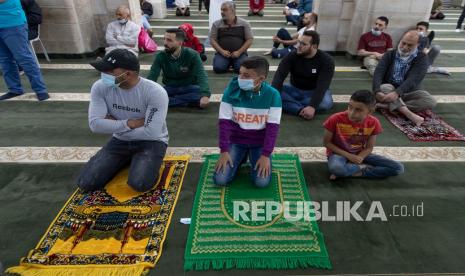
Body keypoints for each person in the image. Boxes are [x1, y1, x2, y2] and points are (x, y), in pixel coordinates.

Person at [77, 49, 169, 192]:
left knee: (140, 183)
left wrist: (113, 124)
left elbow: (151, 133)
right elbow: (95, 125)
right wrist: (130, 123)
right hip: (120, 140)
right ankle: (128, 159)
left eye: (109, 71)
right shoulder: (100, 87)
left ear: (127, 74)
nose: (103, 75)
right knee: (86, 183)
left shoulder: (155, 92)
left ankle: (135, 160)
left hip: (152, 141)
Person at [214, 56, 282, 187]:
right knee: (220, 180)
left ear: (261, 79)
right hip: (236, 141)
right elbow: (224, 123)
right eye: (240, 73)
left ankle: (245, 157)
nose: (240, 79)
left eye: (246, 76)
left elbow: (272, 129)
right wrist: (224, 150)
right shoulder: (231, 90)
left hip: (259, 143)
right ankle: (241, 156)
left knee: (261, 182)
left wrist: (266, 155)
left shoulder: (273, 95)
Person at [323, 90, 404, 180]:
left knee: (398, 168)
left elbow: (369, 148)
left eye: (358, 110)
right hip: (338, 154)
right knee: (336, 168)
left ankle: (355, 172)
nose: (352, 113)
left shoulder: (374, 123)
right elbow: (327, 143)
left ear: (370, 111)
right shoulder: (335, 118)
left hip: (359, 153)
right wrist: (350, 157)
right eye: (350, 107)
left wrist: (359, 157)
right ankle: (359, 168)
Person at [373, 30, 437, 126]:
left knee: (430, 101)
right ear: (400, 41)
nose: (405, 47)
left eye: (410, 45)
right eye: (403, 43)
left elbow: (414, 79)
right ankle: (410, 114)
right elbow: (378, 72)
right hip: (389, 90)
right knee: (385, 87)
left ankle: (389, 106)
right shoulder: (390, 54)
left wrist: (397, 92)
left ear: (417, 45)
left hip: (408, 92)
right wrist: (377, 90)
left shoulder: (422, 58)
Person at [271, 30, 334, 120]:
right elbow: (279, 77)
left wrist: (312, 106)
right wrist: (273, 96)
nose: (299, 46)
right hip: (293, 89)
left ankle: (291, 105)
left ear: (314, 46)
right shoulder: (291, 56)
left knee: (325, 103)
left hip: (314, 91)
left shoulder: (326, 61)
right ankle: (300, 109)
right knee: (272, 91)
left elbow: (322, 85)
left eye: (303, 44)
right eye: (299, 42)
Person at [147, 29, 210, 108]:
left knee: (200, 93)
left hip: (190, 87)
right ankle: (188, 103)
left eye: (169, 40)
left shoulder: (192, 54)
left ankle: (169, 101)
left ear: (180, 42)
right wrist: (147, 93)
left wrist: (205, 95)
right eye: (164, 39)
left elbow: (201, 75)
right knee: (156, 96)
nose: (165, 43)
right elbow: (152, 76)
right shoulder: (160, 56)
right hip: (170, 87)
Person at [0, 0, 49, 101]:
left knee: (24, 57)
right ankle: (14, 89)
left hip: (13, 23)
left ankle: (40, 90)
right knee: (5, 60)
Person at [210, 1, 254, 73]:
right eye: (221, 10)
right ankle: (228, 62)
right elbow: (212, 40)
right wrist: (222, 51)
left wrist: (239, 52)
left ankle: (234, 62)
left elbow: (249, 39)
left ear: (233, 10)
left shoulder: (244, 23)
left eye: (225, 10)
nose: (222, 12)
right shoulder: (216, 24)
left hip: (240, 54)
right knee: (218, 68)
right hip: (222, 54)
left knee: (240, 69)